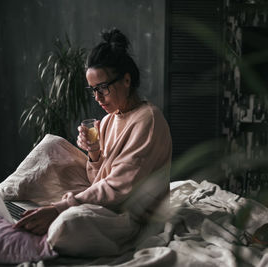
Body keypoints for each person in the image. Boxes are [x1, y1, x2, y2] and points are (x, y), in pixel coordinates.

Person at [13, 28, 172, 238]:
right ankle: (3, 199)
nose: (97, 97)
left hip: (133, 216)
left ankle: (52, 216)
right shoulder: (107, 121)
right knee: (51, 146)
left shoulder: (148, 120)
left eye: (103, 87)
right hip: (110, 202)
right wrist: (94, 153)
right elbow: (97, 181)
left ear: (126, 80)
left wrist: (60, 208)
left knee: (66, 224)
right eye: (93, 89)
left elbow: (118, 189)